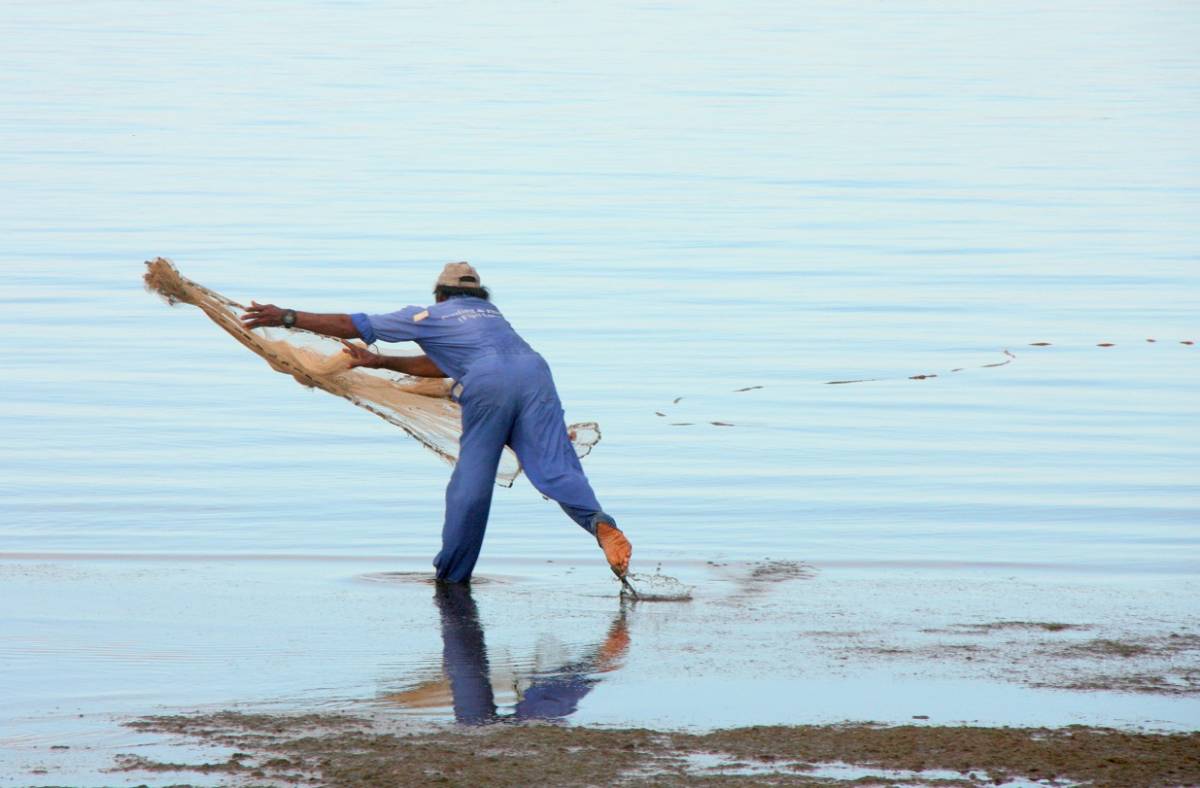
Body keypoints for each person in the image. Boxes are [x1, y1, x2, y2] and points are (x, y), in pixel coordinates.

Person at [240, 262, 631, 583]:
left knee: (473, 480)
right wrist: (380, 362)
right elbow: (446, 361)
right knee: (556, 466)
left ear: (441, 295)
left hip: (489, 383)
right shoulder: (492, 316)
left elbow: (351, 324)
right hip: (535, 374)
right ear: (479, 295)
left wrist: (287, 317)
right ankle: (600, 524)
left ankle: (452, 577)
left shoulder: (428, 316)